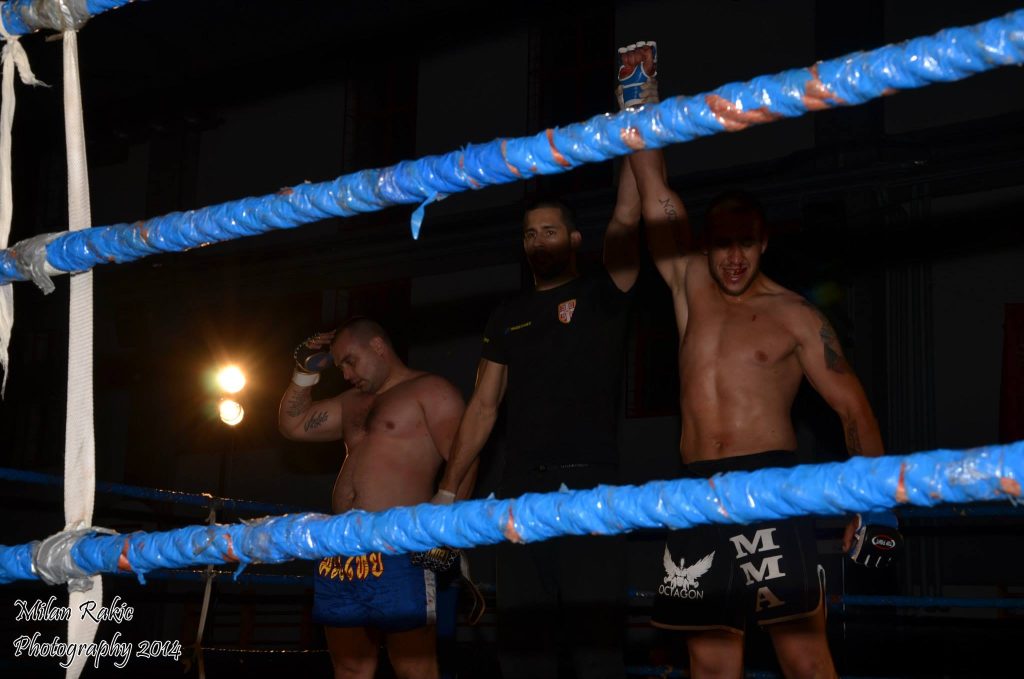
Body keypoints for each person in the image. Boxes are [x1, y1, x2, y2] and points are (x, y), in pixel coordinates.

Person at [623, 43, 898, 679]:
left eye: (746, 243)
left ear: (764, 241)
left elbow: (852, 407)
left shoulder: (796, 315)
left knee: (805, 658)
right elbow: (654, 186)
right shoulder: (689, 283)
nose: (734, 258)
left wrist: (876, 505)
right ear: (705, 244)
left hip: (769, 487)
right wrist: (638, 96)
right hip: (695, 491)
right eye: (723, 244)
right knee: (710, 665)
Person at [430, 42, 656, 679]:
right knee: (522, 649)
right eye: (529, 234)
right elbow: (483, 407)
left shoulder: (604, 292)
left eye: (549, 231)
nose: (537, 241)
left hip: (590, 486)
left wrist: (635, 116)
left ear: (575, 239)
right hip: (519, 491)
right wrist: (446, 492)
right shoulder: (506, 314)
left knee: (596, 649)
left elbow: (628, 214)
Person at [278, 317, 469, 679]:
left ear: (378, 346)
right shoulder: (352, 403)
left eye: (350, 361)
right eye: (340, 366)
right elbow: (294, 424)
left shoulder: (431, 391)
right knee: (351, 666)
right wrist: (304, 373)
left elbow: (465, 460)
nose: (346, 374)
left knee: (414, 666)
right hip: (341, 545)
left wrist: (446, 532)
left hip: (400, 545)